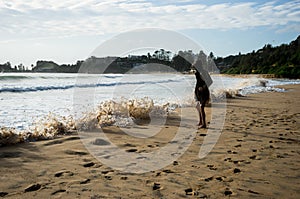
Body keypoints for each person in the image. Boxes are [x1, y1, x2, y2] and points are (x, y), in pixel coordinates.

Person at [194, 60, 211, 129]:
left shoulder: (203, 72)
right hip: (198, 92)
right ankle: (201, 121)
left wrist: (203, 87)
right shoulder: (198, 72)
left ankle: (204, 124)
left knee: (201, 107)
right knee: (198, 106)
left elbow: (209, 81)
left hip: (203, 92)